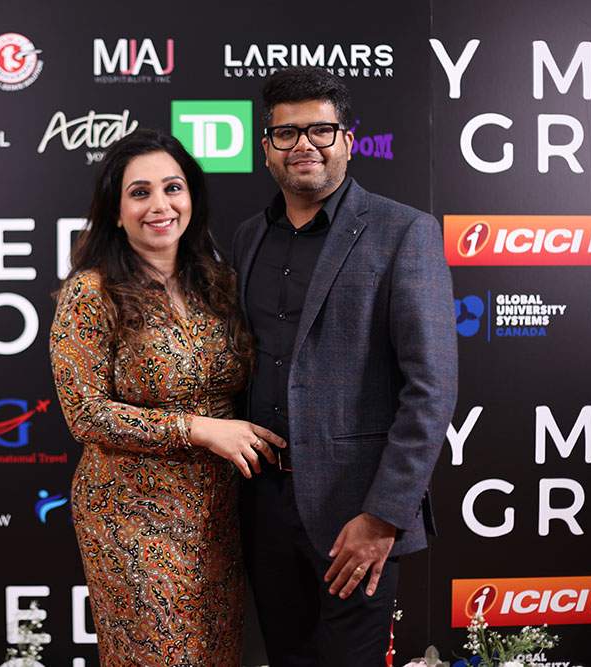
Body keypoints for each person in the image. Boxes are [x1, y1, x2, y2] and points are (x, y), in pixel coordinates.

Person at [233, 67, 458, 665]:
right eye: (286, 133)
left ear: (347, 141)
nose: (304, 145)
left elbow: (430, 388)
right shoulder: (249, 238)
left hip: (355, 514)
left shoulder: (404, 232)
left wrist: (383, 517)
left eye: (321, 130)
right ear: (267, 148)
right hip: (263, 505)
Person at [50, 128, 286, 666]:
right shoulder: (91, 292)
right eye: (140, 193)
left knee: (216, 655)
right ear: (116, 212)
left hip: (221, 515)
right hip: (132, 517)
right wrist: (196, 429)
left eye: (172, 188)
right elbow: (85, 414)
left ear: (191, 197)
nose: (160, 205)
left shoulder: (220, 283)